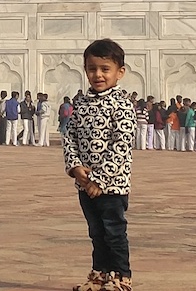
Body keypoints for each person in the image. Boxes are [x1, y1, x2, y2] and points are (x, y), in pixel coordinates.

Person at [62, 38, 134, 291]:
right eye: (92, 69)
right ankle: (100, 276)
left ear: (120, 72)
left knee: (114, 234)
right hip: (84, 185)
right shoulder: (81, 104)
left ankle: (121, 278)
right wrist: (74, 167)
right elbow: (69, 136)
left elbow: (121, 145)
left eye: (105, 69)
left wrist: (99, 180)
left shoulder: (123, 105)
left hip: (112, 186)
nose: (98, 75)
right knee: (97, 234)